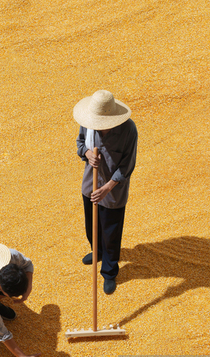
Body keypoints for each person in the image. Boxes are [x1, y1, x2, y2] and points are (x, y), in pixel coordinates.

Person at [73, 90, 138, 294]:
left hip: (113, 192)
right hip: (90, 184)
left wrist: (108, 187)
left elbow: (127, 165)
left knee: (111, 232)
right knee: (91, 226)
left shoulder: (129, 130)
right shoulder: (87, 121)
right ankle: (97, 251)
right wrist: (87, 153)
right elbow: (80, 143)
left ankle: (109, 271)